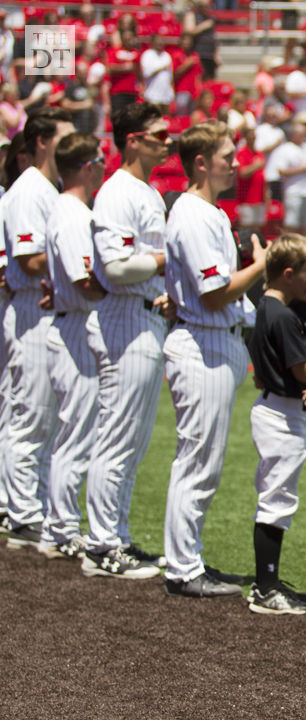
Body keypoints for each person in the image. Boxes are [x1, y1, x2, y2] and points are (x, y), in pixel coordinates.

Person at [161, 121, 267, 597]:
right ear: (201, 162)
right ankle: (183, 567)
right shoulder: (193, 213)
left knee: (204, 458)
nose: (236, 161)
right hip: (202, 341)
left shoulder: (209, 212)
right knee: (198, 459)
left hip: (214, 339)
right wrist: (263, 266)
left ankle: (187, 560)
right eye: (227, 155)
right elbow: (214, 293)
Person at [82, 103, 173, 579]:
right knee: (117, 436)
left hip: (142, 316)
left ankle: (114, 535)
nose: (167, 140)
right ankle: (101, 544)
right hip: (124, 316)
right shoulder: (118, 191)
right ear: (132, 139)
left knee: (130, 439)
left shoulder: (142, 189)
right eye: (158, 134)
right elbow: (115, 267)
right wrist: (163, 260)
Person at [1, 107, 74, 549]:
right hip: (30, 306)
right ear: (43, 141)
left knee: (35, 412)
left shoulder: (49, 187)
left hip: (43, 304)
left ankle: (23, 503)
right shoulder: (31, 189)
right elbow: (28, 260)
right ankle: (22, 509)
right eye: (64, 137)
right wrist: (82, 251)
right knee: (30, 412)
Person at [37, 132, 107, 560]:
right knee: (76, 432)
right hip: (75, 326)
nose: (103, 168)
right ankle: (61, 527)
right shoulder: (72, 212)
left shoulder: (68, 209)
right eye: (99, 161)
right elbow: (85, 279)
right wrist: (121, 286)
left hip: (71, 321)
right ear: (87, 166)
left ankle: (60, 522)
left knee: (77, 429)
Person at [246, 233, 306, 615]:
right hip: (283, 414)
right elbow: (302, 369)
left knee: (274, 497)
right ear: (288, 274)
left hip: (272, 406)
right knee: (276, 500)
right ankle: (266, 587)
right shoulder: (284, 315)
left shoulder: (264, 307)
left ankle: (267, 583)